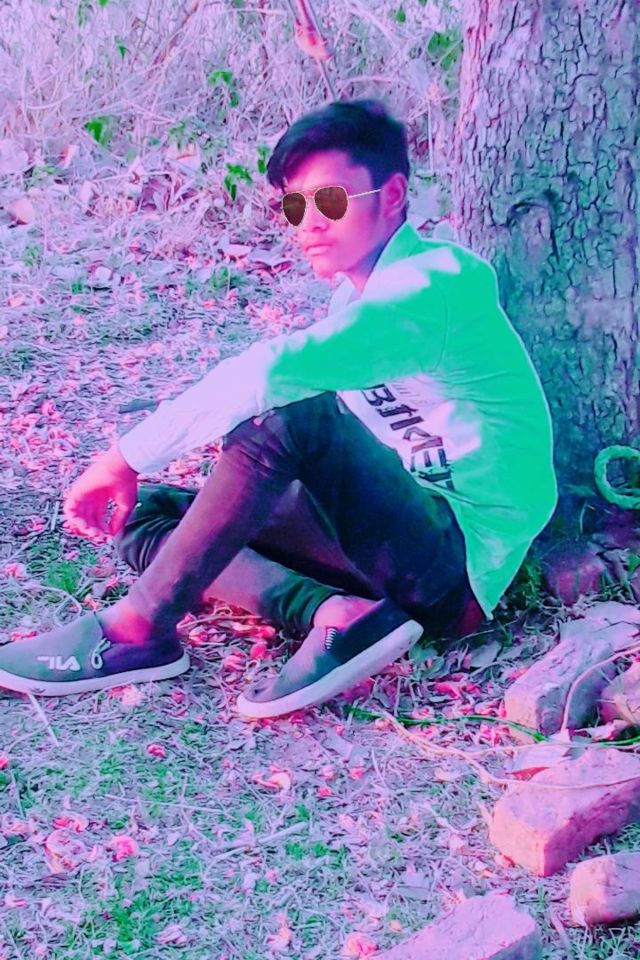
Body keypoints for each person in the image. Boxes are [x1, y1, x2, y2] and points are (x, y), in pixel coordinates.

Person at [0, 98, 558, 718]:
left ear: (393, 196)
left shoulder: (439, 284)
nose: (308, 224)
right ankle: (333, 611)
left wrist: (124, 456)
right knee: (146, 515)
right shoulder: (353, 304)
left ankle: (135, 630)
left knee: (287, 414)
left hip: (453, 568)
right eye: (295, 206)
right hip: (373, 543)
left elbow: (271, 376)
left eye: (330, 201)